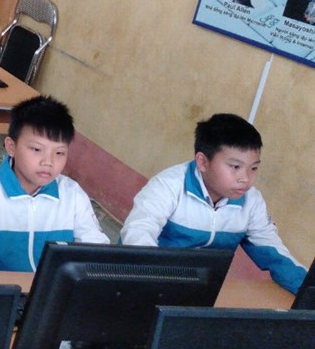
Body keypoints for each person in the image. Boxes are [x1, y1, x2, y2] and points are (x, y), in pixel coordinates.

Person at [120, 113, 306, 294]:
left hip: (202, 290)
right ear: (203, 162)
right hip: (146, 283)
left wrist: (307, 291)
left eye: (254, 168)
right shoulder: (168, 186)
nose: (245, 178)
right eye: (235, 167)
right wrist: (157, 282)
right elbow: (138, 235)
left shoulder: (251, 202)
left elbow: (275, 254)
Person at [0, 96, 108, 271]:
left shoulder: (72, 194)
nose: (48, 162)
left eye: (59, 153)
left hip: (51, 289)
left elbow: (95, 250)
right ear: (11, 147)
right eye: (37, 149)